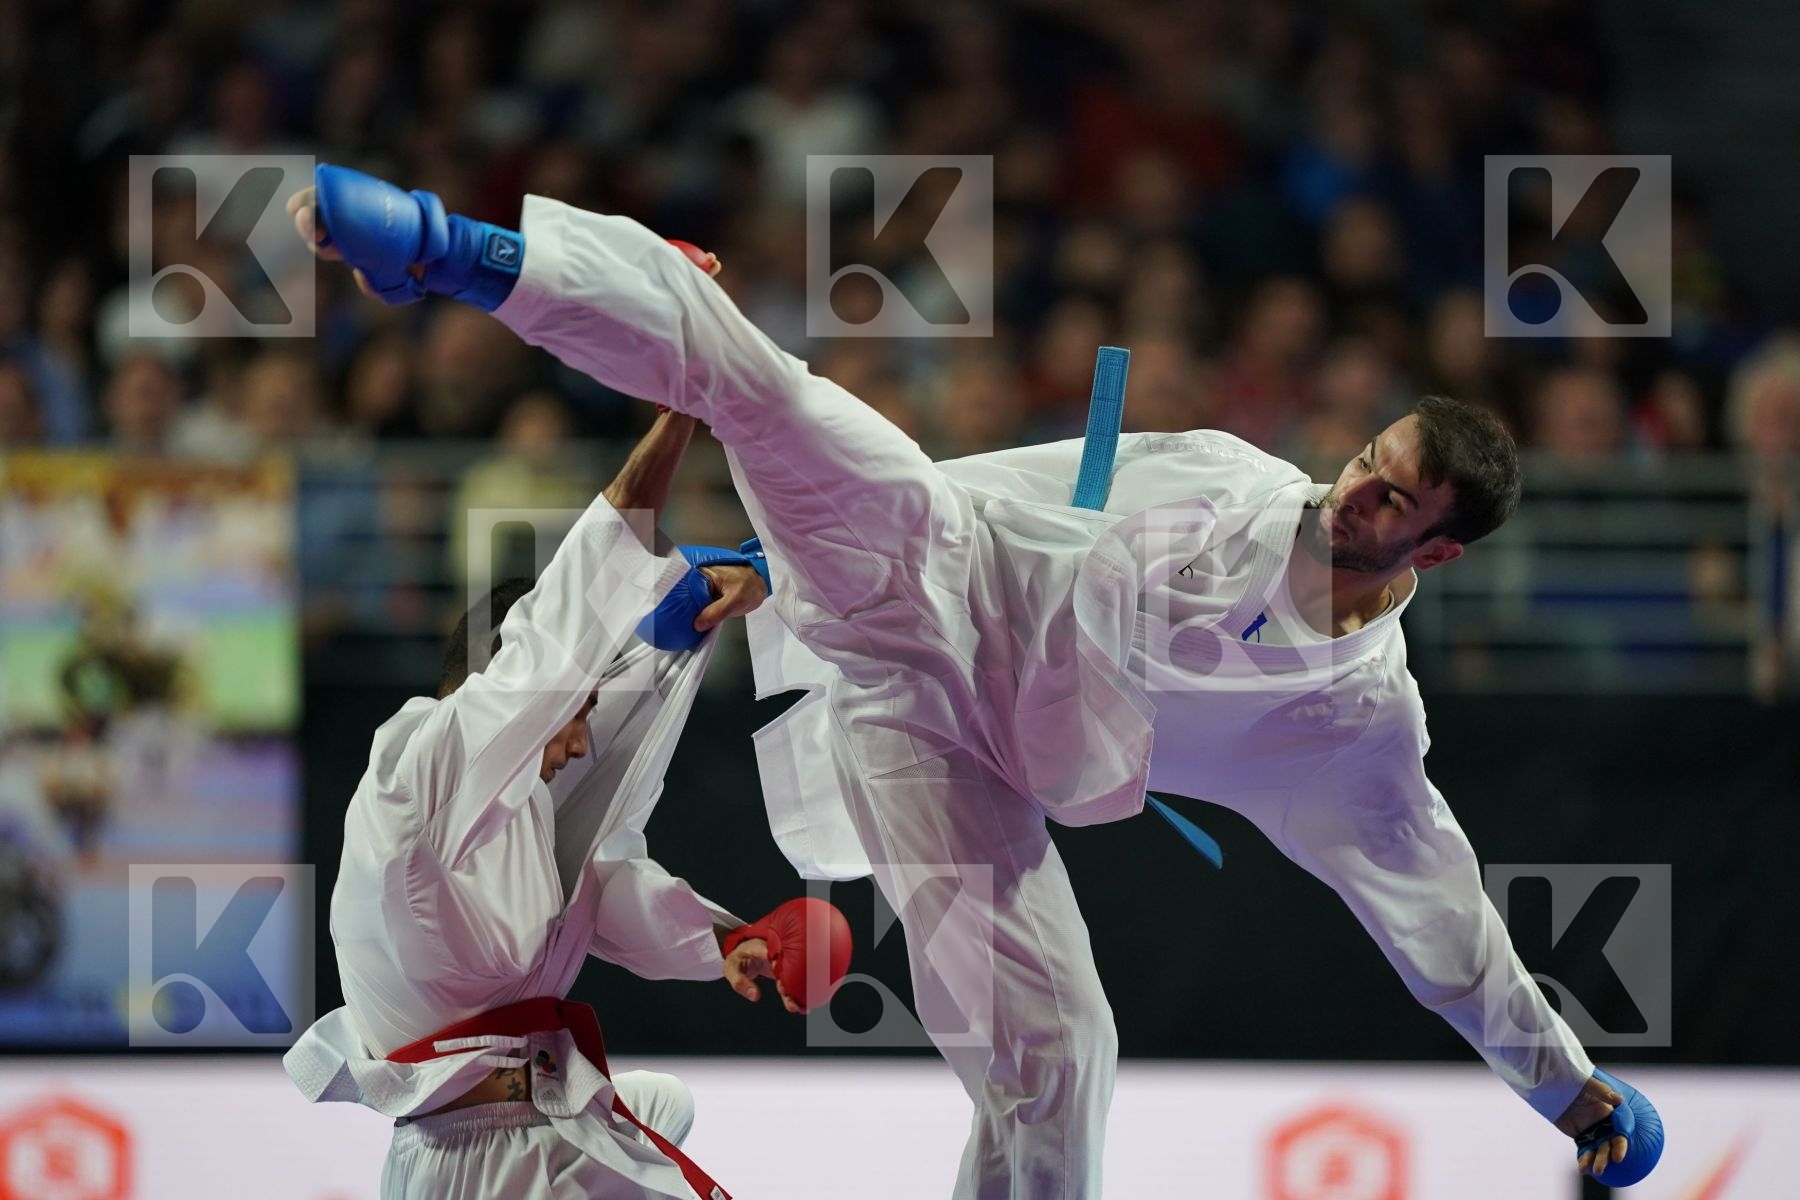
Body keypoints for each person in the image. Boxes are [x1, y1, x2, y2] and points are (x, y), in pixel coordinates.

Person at [290, 166, 1661, 1196]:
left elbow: (1446, 928)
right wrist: (799, 552)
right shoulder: (1240, 480)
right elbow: (1001, 494)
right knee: (762, 386)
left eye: (1387, 505)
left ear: (1443, 551)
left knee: (1063, 1064)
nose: (1349, 494)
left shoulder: (1354, 728)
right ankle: (459, 254)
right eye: (1367, 462)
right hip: (923, 576)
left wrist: (1576, 1093)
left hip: (956, 768)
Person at [283, 377, 844, 1200]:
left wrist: (726, 941)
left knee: (665, 1103)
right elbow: (556, 641)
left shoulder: (516, 808)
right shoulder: (417, 766)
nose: (579, 737)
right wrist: (682, 410)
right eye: (569, 713)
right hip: (480, 1162)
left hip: (536, 1125)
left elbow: (601, 880)